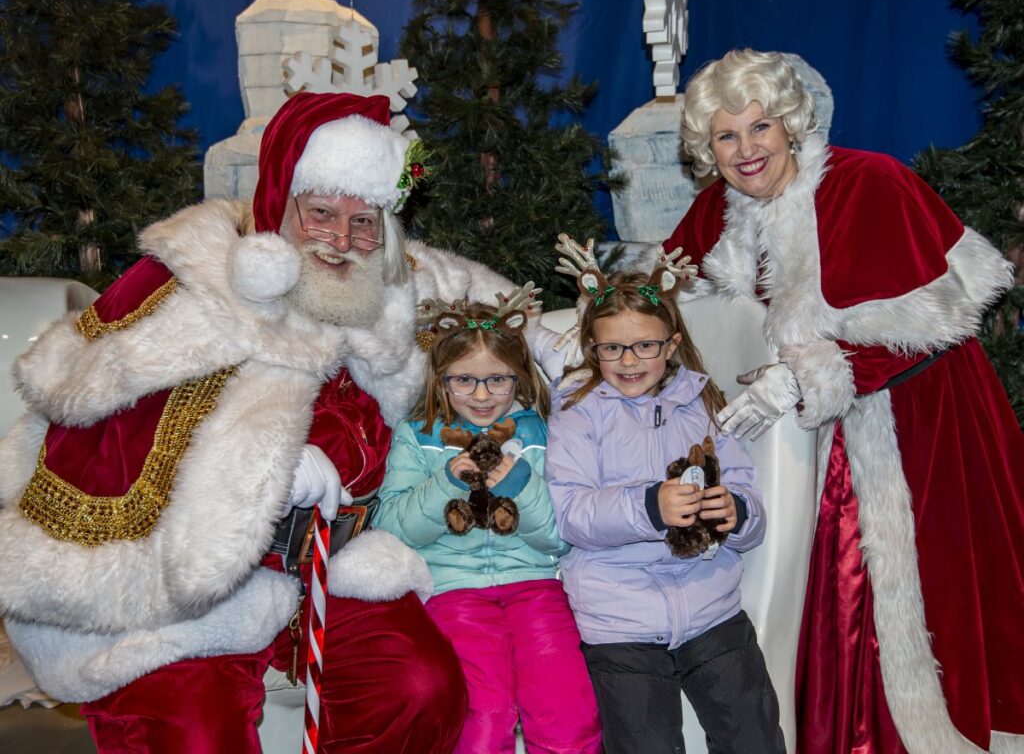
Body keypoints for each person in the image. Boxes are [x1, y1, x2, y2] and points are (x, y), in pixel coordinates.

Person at [0, 92, 525, 753]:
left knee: (420, 688)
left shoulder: (389, 289)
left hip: (331, 567)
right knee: (192, 735)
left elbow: (496, 309)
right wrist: (258, 474)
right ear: (282, 204)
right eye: (323, 214)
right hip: (184, 586)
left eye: (364, 221)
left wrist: (570, 349)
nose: (342, 239)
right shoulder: (192, 284)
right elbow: (78, 395)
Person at [665, 48, 1024, 754]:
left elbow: (939, 316)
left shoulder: (872, 183)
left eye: (759, 128)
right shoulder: (716, 210)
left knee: (905, 590)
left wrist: (804, 375)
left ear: (790, 126)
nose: (745, 150)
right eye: (726, 136)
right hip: (791, 448)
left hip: (917, 423)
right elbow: (670, 306)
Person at [543, 252, 785, 754]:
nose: (629, 361)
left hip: (712, 610)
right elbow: (570, 513)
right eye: (613, 348)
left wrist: (736, 513)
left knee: (755, 737)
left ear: (671, 344)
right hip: (618, 618)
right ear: (592, 347)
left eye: (645, 346)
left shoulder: (702, 401)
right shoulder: (577, 409)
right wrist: (651, 506)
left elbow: (750, 502)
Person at [374, 293, 602, 754]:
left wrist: (521, 486)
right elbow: (393, 531)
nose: (481, 395)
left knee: (567, 709)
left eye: (497, 379)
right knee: (485, 710)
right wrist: (445, 484)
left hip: (537, 587)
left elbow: (561, 538)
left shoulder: (542, 433)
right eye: (464, 380)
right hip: (452, 592)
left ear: (518, 377)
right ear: (442, 380)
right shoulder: (417, 435)